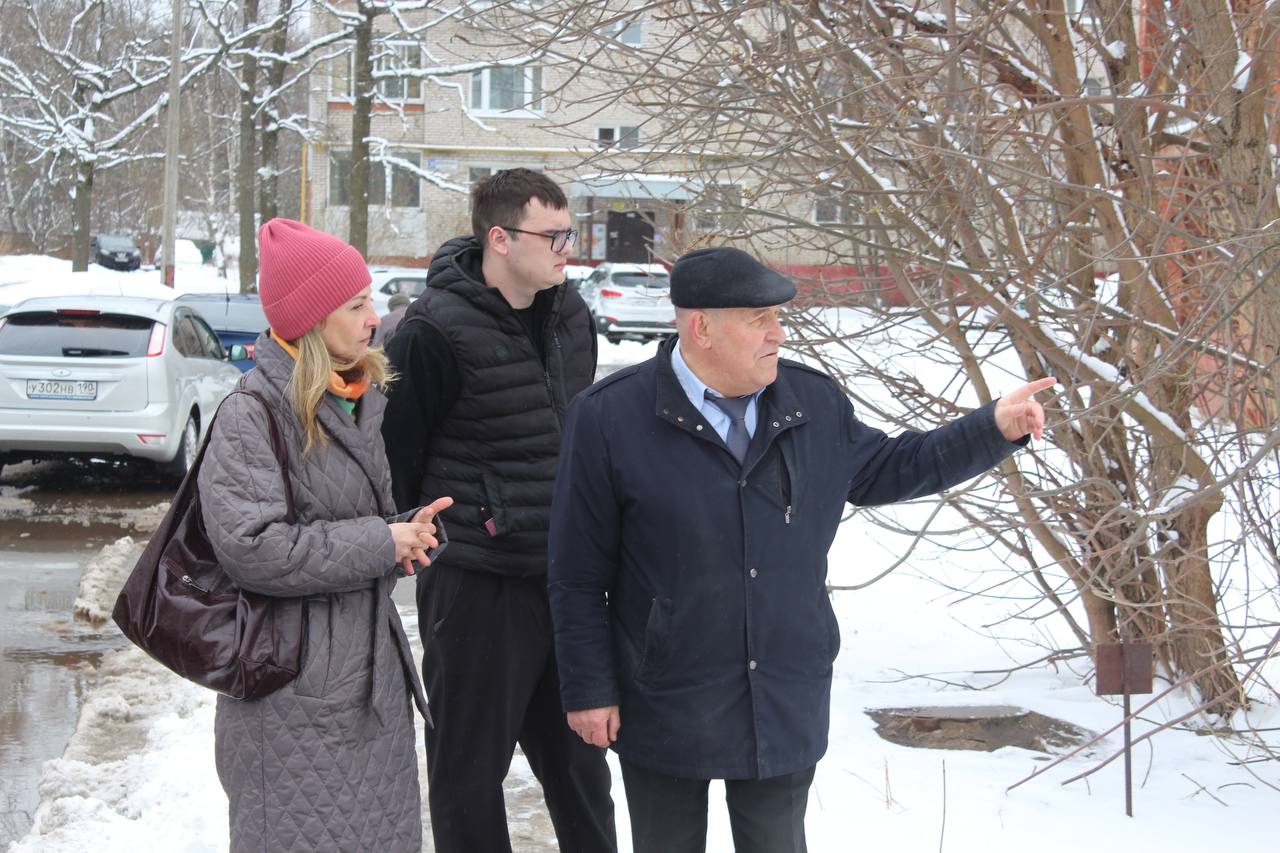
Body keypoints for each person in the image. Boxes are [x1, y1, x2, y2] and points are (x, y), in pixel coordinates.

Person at [548, 246, 1056, 853]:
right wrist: (589, 689)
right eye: (759, 319)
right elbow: (576, 572)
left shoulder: (812, 402)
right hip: (665, 692)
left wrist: (991, 429)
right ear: (701, 327)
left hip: (782, 691)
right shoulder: (609, 417)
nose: (779, 334)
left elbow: (895, 466)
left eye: (778, 318)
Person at [198, 218, 451, 852]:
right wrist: (380, 541)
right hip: (292, 691)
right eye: (356, 305)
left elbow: (350, 527)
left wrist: (407, 534)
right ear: (312, 319)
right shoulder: (251, 413)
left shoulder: (357, 398)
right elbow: (253, 548)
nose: (374, 318)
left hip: (369, 682)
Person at [381, 169, 615, 852]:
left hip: (562, 581)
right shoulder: (432, 329)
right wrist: (446, 533)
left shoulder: (572, 318)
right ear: (501, 238)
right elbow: (398, 458)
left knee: (582, 771)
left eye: (570, 232)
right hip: (477, 587)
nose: (568, 248)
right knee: (468, 775)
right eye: (554, 235)